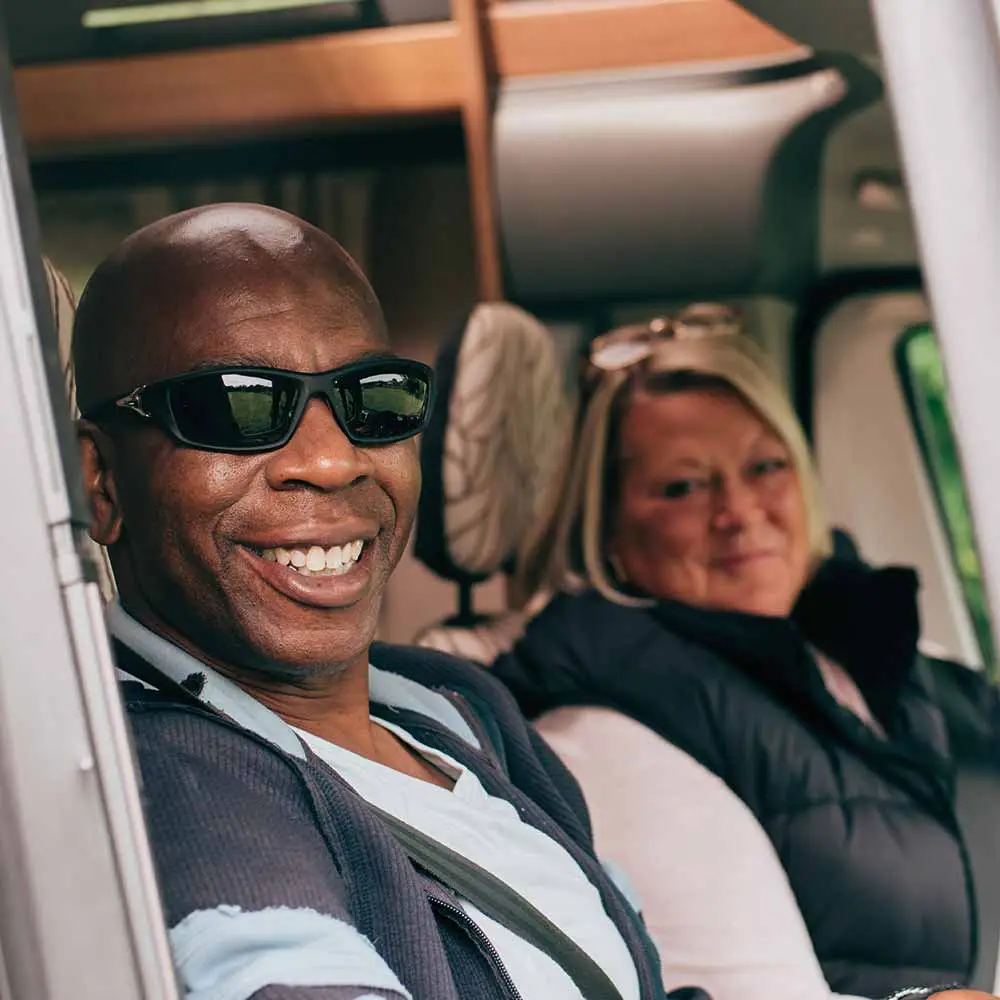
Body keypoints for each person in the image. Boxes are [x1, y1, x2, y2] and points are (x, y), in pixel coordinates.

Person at [71, 203, 668, 1000]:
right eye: (237, 405)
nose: (332, 460)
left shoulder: (457, 709)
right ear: (102, 482)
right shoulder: (162, 776)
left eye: (372, 398)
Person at [491, 306, 999, 1000]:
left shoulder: (890, 657)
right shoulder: (600, 732)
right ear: (607, 528)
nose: (739, 511)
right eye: (684, 487)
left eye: (765, 466)